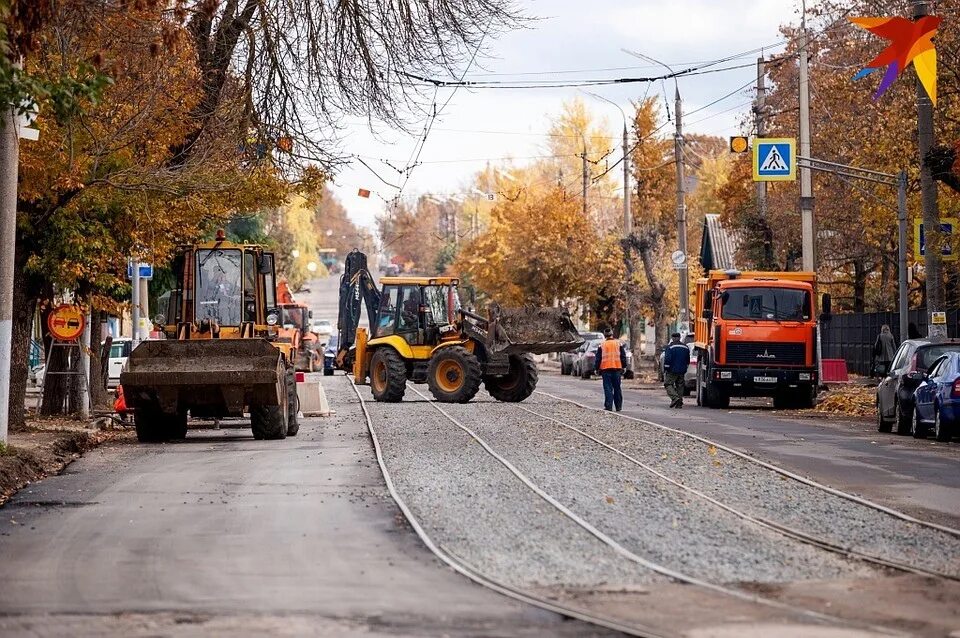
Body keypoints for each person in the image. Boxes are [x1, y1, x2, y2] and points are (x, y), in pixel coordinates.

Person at [594, 329, 627, 412]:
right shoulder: (618, 344)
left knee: (608, 388)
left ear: (605, 335)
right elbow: (623, 356)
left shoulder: (602, 345)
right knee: (617, 388)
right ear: (612, 334)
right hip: (617, 369)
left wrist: (596, 368)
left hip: (605, 369)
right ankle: (618, 406)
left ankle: (608, 406)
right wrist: (624, 366)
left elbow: (598, 358)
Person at [662, 332, 691, 408]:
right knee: (680, 386)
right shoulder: (685, 347)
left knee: (668, 384)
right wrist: (685, 367)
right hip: (682, 370)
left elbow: (667, 359)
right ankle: (679, 403)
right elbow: (688, 359)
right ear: (679, 337)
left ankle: (675, 398)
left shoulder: (670, 347)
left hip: (672, 370)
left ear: (672, 338)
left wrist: (666, 368)